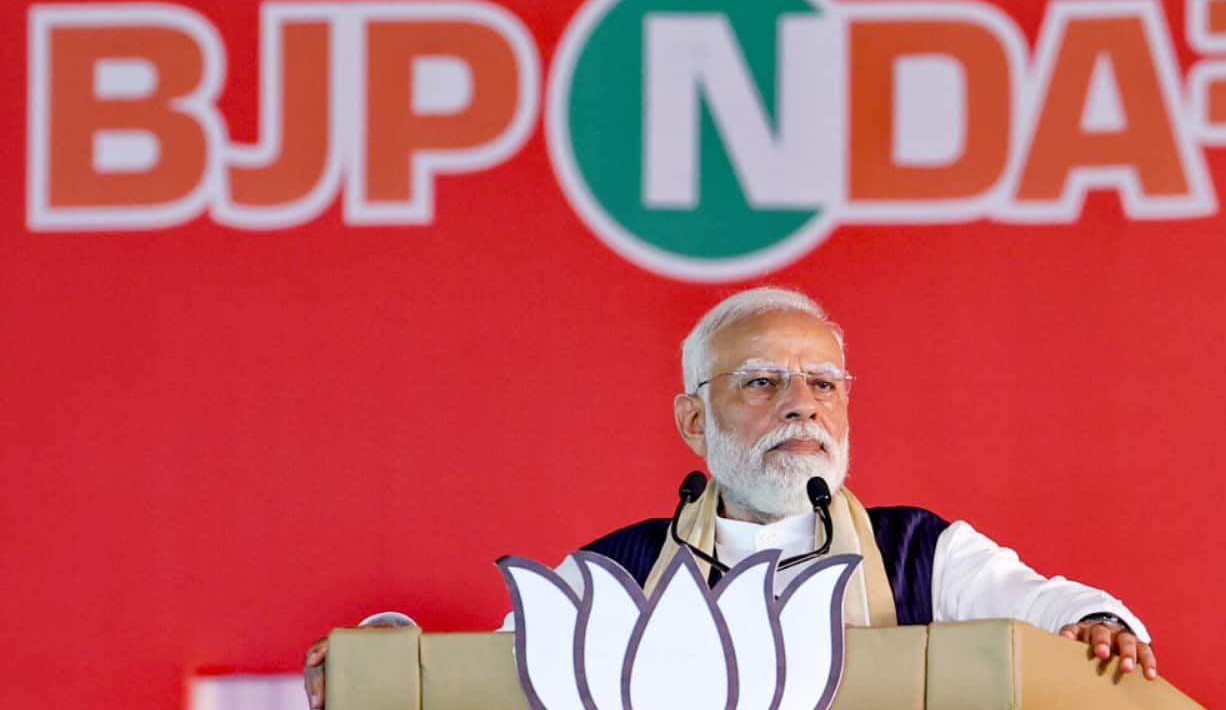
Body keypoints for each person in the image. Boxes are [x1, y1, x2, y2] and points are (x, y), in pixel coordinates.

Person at [303, 287, 1157, 709]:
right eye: (761, 381)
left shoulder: (920, 553)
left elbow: (1059, 609)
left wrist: (1098, 624)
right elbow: (486, 675)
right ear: (692, 418)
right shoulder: (616, 569)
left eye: (824, 383)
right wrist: (384, 653)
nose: (802, 404)